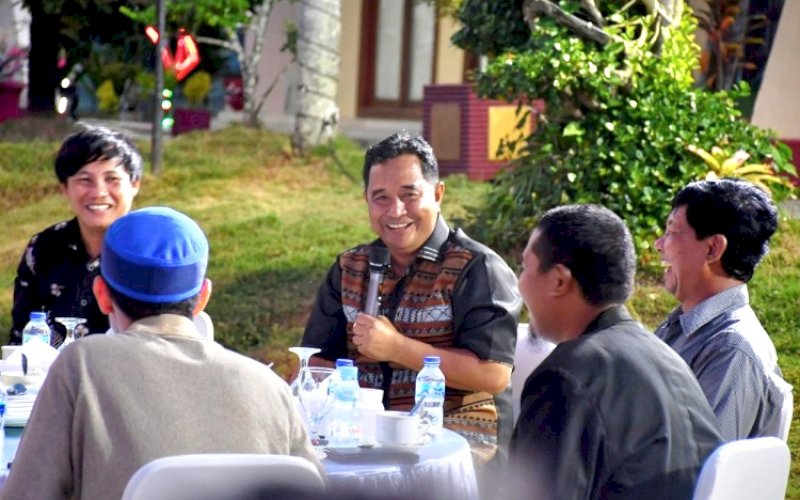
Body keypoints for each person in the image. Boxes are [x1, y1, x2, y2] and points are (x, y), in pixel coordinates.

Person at [1, 207, 321, 499]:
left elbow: (27, 494)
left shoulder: (81, 366)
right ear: (202, 298)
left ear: (102, 295)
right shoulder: (269, 386)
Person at [301, 132, 522, 472]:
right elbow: (319, 362)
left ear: (438, 193)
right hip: (362, 443)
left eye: (409, 195)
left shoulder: (477, 268)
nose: (396, 211)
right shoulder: (350, 267)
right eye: (381, 198)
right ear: (366, 201)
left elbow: (493, 375)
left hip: (458, 451)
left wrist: (397, 348)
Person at [508, 204, 722, 499]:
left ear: (559, 280)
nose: (519, 284)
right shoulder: (663, 355)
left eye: (524, 267)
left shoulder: (564, 378)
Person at [654, 178, 787, 440]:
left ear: (713, 248)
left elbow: (700, 464)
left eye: (672, 232)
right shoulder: (681, 326)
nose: (659, 244)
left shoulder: (731, 349)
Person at [10, 126, 142, 346]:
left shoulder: (149, 251)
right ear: (65, 188)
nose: (99, 192)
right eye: (85, 180)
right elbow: (21, 336)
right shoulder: (44, 248)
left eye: (112, 179)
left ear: (134, 184)